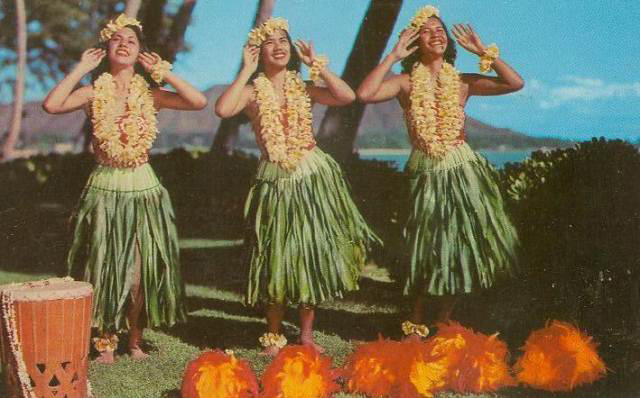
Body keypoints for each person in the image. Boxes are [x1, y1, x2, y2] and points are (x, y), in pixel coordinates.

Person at [43, 14, 207, 363]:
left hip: (143, 186)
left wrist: (164, 72)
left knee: (138, 270)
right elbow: (51, 105)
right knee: (103, 265)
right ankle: (105, 342)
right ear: (105, 49)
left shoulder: (150, 93)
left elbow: (199, 102)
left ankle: (133, 340)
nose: (123, 43)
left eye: (131, 40)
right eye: (116, 39)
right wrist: (78, 68)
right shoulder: (92, 91)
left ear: (139, 52)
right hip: (104, 185)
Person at [215, 17, 380, 355]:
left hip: (310, 174)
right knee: (275, 254)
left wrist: (315, 66)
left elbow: (346, 96)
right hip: (274, 179)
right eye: (269, 42)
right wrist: (246, 71)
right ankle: (274, 335)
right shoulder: (250, 92)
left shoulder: (303, 87)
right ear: (259, 52)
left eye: (283, 42)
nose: (278, 46)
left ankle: (306, 335)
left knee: (308, 253)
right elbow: (222, 108)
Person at [357, 5, 523, 339]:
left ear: (448, 42)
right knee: (428, 248)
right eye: (426, 31)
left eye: (439, 30)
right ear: (415, 42)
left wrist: (483, 52)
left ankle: (442, 320)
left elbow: (514, 83)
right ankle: (416, 323)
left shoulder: (461, 82)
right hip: (426, 174)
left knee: (461, 247)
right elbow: (364, 93)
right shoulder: (405, 82)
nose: (436, 34)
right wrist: (392, 55)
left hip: (462, 172)